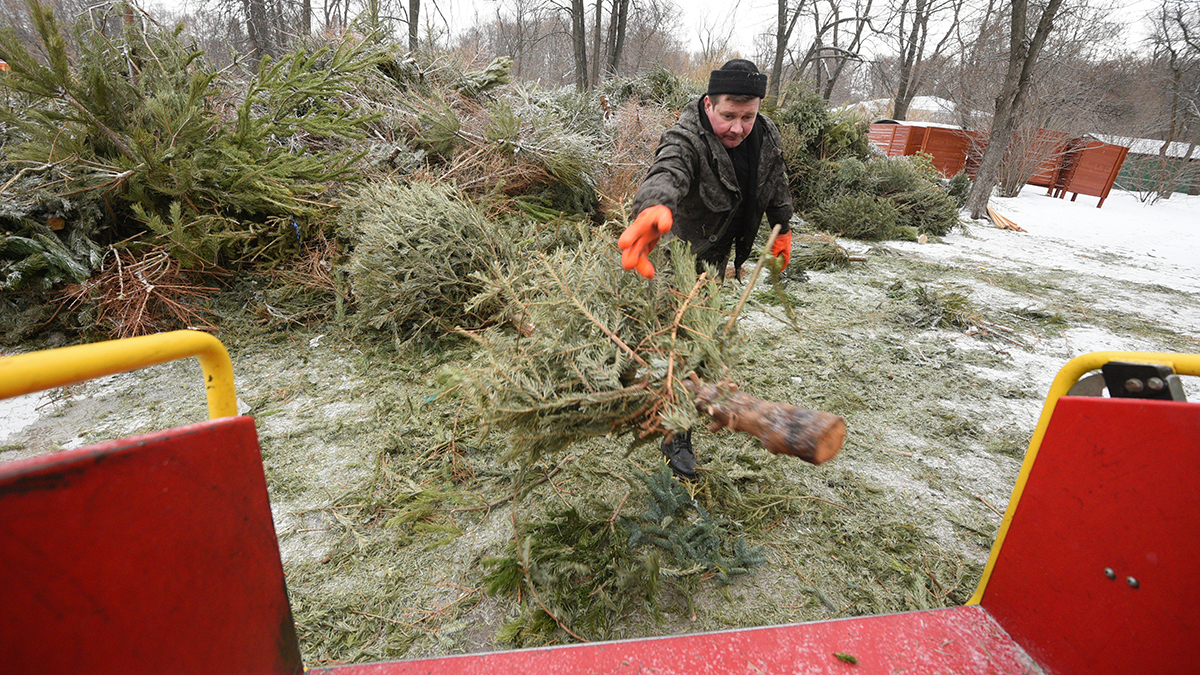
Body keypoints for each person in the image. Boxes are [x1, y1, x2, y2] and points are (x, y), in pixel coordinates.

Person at [618, 59, 795, 480]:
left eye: (747, 117)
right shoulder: (687, 137)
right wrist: (654, 206)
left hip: (717, 258)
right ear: (708, 104)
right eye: (728, 116)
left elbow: (775, 179)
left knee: (701, 340)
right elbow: (668, 169)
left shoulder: (765, 133)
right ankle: (675, 432)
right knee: (679, 343)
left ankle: (671, 402)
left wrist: (783, 225)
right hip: (681, 255)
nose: (738, 128)